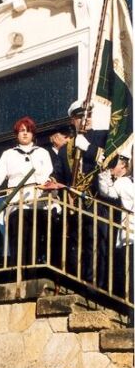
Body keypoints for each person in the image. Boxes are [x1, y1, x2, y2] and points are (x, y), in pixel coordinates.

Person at [0, 117, 54, 270]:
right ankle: (19, 275)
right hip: (17, 204)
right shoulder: (8, 154)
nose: (25, 134)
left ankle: (34, 274)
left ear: (33, 134)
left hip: (38, 204)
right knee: (19, 242)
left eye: (28, 131)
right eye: (22, 131)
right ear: (17, 134)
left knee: (35, 242)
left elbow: (48, 174)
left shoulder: (42, 153)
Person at [54, 100, 109, 285]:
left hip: (97, 201)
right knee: (77, 245)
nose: (85, 119)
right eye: (80, 117)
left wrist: (89, 148)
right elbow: (59, 179)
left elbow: (110, 161)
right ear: (73, 120)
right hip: (74, 205)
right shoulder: (64, 151)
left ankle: (95, 290)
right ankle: (79, 286)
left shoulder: (103, 137)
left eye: (88, 115)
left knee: (96, 245)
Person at [98, 154, 134, 316]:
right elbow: (107, 192)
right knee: (130, 279)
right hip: (129, 235)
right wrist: (105, 173)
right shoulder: (123, 182)